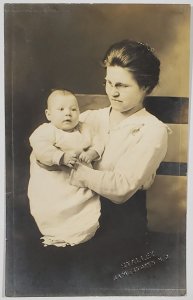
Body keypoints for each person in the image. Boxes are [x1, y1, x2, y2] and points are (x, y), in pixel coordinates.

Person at [67, 39, 171, 283]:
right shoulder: (90, 118)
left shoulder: (151, 130)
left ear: (145, 87)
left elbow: (121, 189)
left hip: (121, 227)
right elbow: (54, 142)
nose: (112, 92)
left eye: (122, 86)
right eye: (108, 83)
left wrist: (79, 174)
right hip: (77, 214)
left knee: (98, 279)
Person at [28, 89, 104, 248]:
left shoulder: (85, 129)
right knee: (52, 208)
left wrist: (92, 153)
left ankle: (80, 231)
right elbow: (40, 148)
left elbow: (98, 142)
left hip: (77, 185)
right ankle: (55, 232)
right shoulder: (46, 130)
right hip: (53, 184)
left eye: (73, 109)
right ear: (49, 115)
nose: (68, 113)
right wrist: (60, 157)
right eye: (61, 109)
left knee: (84, 207)